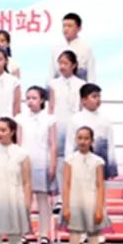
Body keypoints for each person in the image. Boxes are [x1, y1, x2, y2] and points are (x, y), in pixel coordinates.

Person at [62, 126, 110, 244]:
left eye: (86, 138)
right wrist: (66, 206)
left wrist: (99, 207)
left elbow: (100, 185)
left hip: (91, 203)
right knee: (74, 240)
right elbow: (66, 184)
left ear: (91, 141)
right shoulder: (70, 159)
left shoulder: (97, 161)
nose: (82, 141)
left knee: (93, 241)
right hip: (75, 202)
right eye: (80, 138)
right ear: (76, 139)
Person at [18, 86, 56, 244]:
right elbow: (18, 143)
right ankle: (24, 233)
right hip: (25, 162)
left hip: (42, 161)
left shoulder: (50, 119)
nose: (30, 101)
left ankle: (44, 235)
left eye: (34, 98)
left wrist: (52, 164)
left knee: (42, 200)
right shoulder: (20, 119)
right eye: (28, 98)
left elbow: (53, 144)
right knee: (24, 200)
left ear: (42, 100)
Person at [49, 50, 84, 200]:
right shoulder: (53, 84)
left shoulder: (81, 84)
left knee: (74, 158)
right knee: (58, 159)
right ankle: (59, 197)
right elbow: (51, 107)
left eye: (65, 63)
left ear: (73, 65)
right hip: (58, 125)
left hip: (75, 126)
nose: (62, 66)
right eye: (60, 63)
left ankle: (73, 195)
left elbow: (82, 108)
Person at [66, 84, 118, 183]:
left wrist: (112, 167)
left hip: (100, 165)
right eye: (94, 96)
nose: (98, 99)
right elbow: (69, 145)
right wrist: (68, 166)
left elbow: (110, 144)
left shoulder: (105, 119)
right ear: (83, 100)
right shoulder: (75, 119)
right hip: (79, 165)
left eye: (99, 96)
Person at [49, 12, 95, 82]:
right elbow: (52, 73)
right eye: (64, 26)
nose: (66, 29)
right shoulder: (56, 48)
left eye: (70, 26)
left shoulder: (86, 48)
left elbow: (91, 74)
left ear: (79, 28)